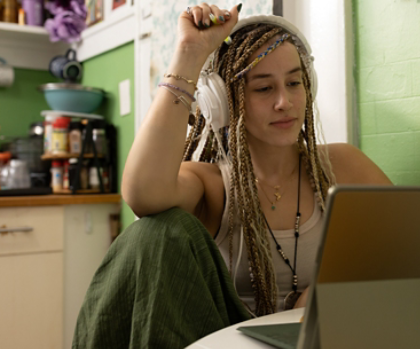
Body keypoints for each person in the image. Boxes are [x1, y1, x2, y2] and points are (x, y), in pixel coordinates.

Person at [73, 3, 392, 348]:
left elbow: (412, 250)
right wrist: (189, 55)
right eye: (263, 88)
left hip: (321, 336)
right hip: (226, 339)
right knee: (155, 231)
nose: (284, 101)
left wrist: (328, 289)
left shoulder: (342, 167)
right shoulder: (210, 185)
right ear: (224, 101)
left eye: (295, 82)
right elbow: (142, 192)